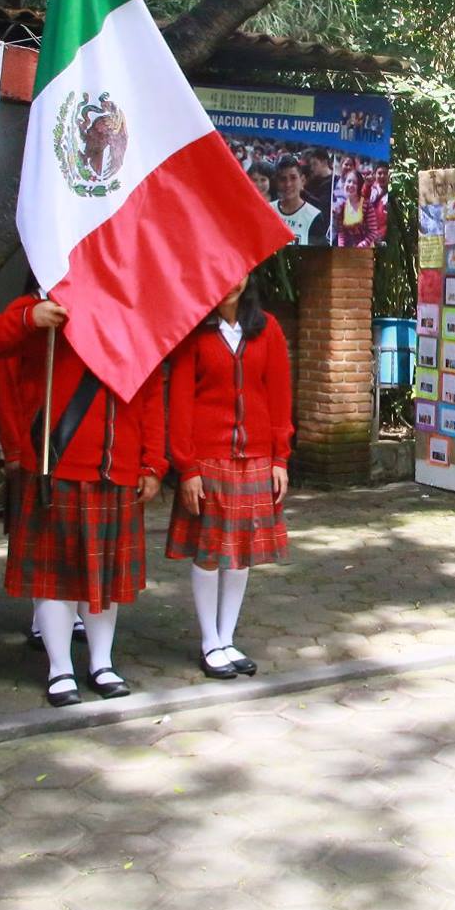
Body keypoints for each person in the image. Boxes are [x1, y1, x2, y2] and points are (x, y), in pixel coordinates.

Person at [0, 293, 167, 705]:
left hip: (116, 466)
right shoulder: (41, 307)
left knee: (105, 580)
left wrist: (153, 463)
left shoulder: (135, 314)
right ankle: (59, 667)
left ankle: (101, 662)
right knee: (55, 578)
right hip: (54, 465)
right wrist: (29, 318)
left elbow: (150, 394)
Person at [167, 273, 294, 680]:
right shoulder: (193, 331)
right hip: (208, 460)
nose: (230, 283)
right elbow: (181, 401)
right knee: (209, 553)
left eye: (238, 274)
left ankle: (227, 636)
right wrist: (186, 466)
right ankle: (209, 641)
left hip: (256, 458)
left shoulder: (267, 329)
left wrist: (280, 457)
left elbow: (278, 395)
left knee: (241, 555)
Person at [271, 158, 324, 246]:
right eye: (283, 179)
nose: (288, 184)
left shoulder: (313, 216)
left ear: (302, 180)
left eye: (293, 178)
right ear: (277, 182)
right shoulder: (268, 210)